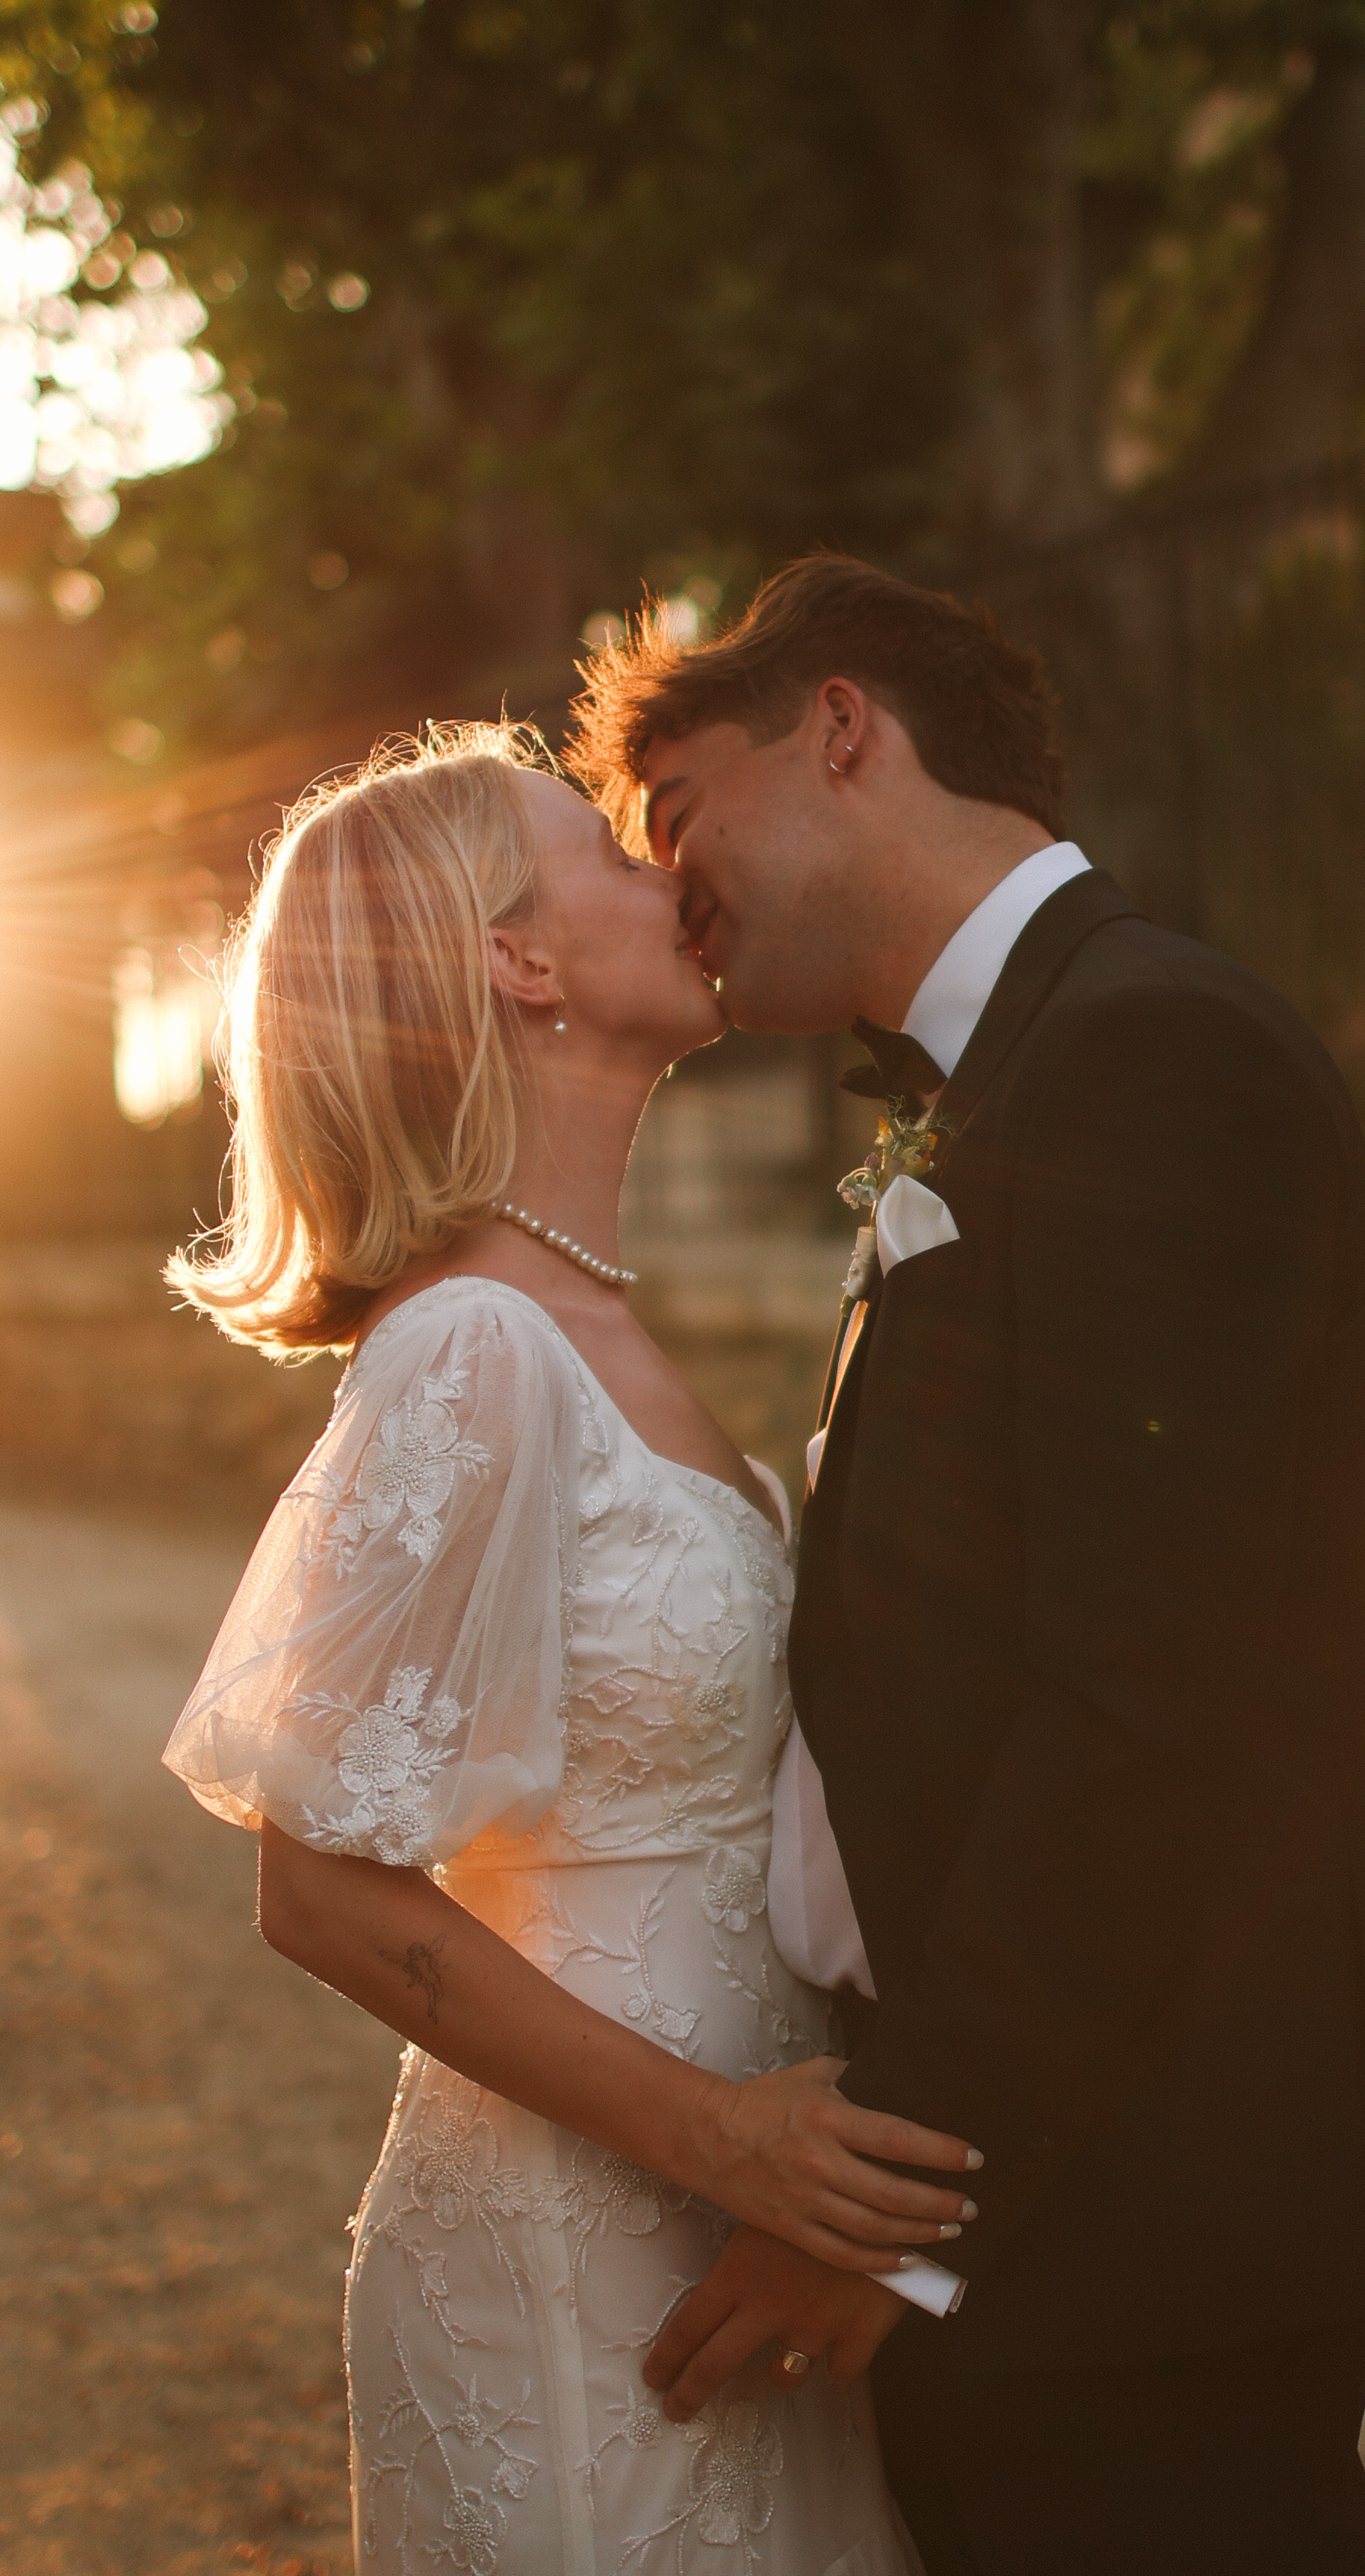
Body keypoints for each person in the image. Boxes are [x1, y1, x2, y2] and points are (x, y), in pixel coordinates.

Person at [571, 557, 1365, 2576]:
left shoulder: (1149, 1057)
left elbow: (1146, 1710)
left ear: (837, 729)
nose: (666, 888)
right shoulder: (1013, 1075)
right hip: (1079, 2170)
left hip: (1144, 2198)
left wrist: (908, 2220)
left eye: (678, 819)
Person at [161, 723, 981, 2576]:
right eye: (606, 856)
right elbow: (322, 1890)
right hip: (580, 2238)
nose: (664, 871)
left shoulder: (600, 1333)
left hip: (747, 2219)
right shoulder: (472, 1352)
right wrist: (723, 2144)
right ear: (516, 960)